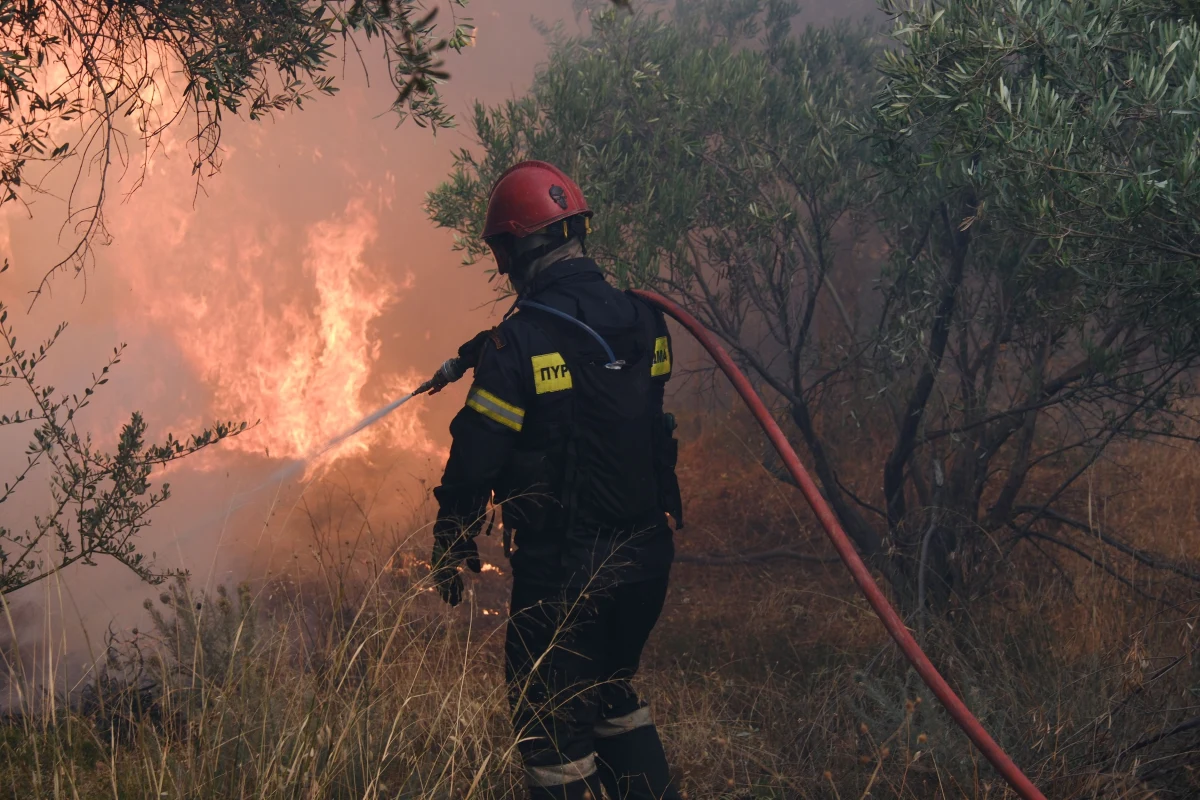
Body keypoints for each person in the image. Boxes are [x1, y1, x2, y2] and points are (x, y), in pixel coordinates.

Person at [430, 160, 684, 800]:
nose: (503, 268)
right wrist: (487, 348)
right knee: (609, 695)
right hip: (646, 565)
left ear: (519, 247)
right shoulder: (644, 320)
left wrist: (451, 531)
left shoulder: (517, 346)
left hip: (566, 577)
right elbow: (589, 363)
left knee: (550, 731)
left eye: (502, 251)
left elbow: (477, 454)